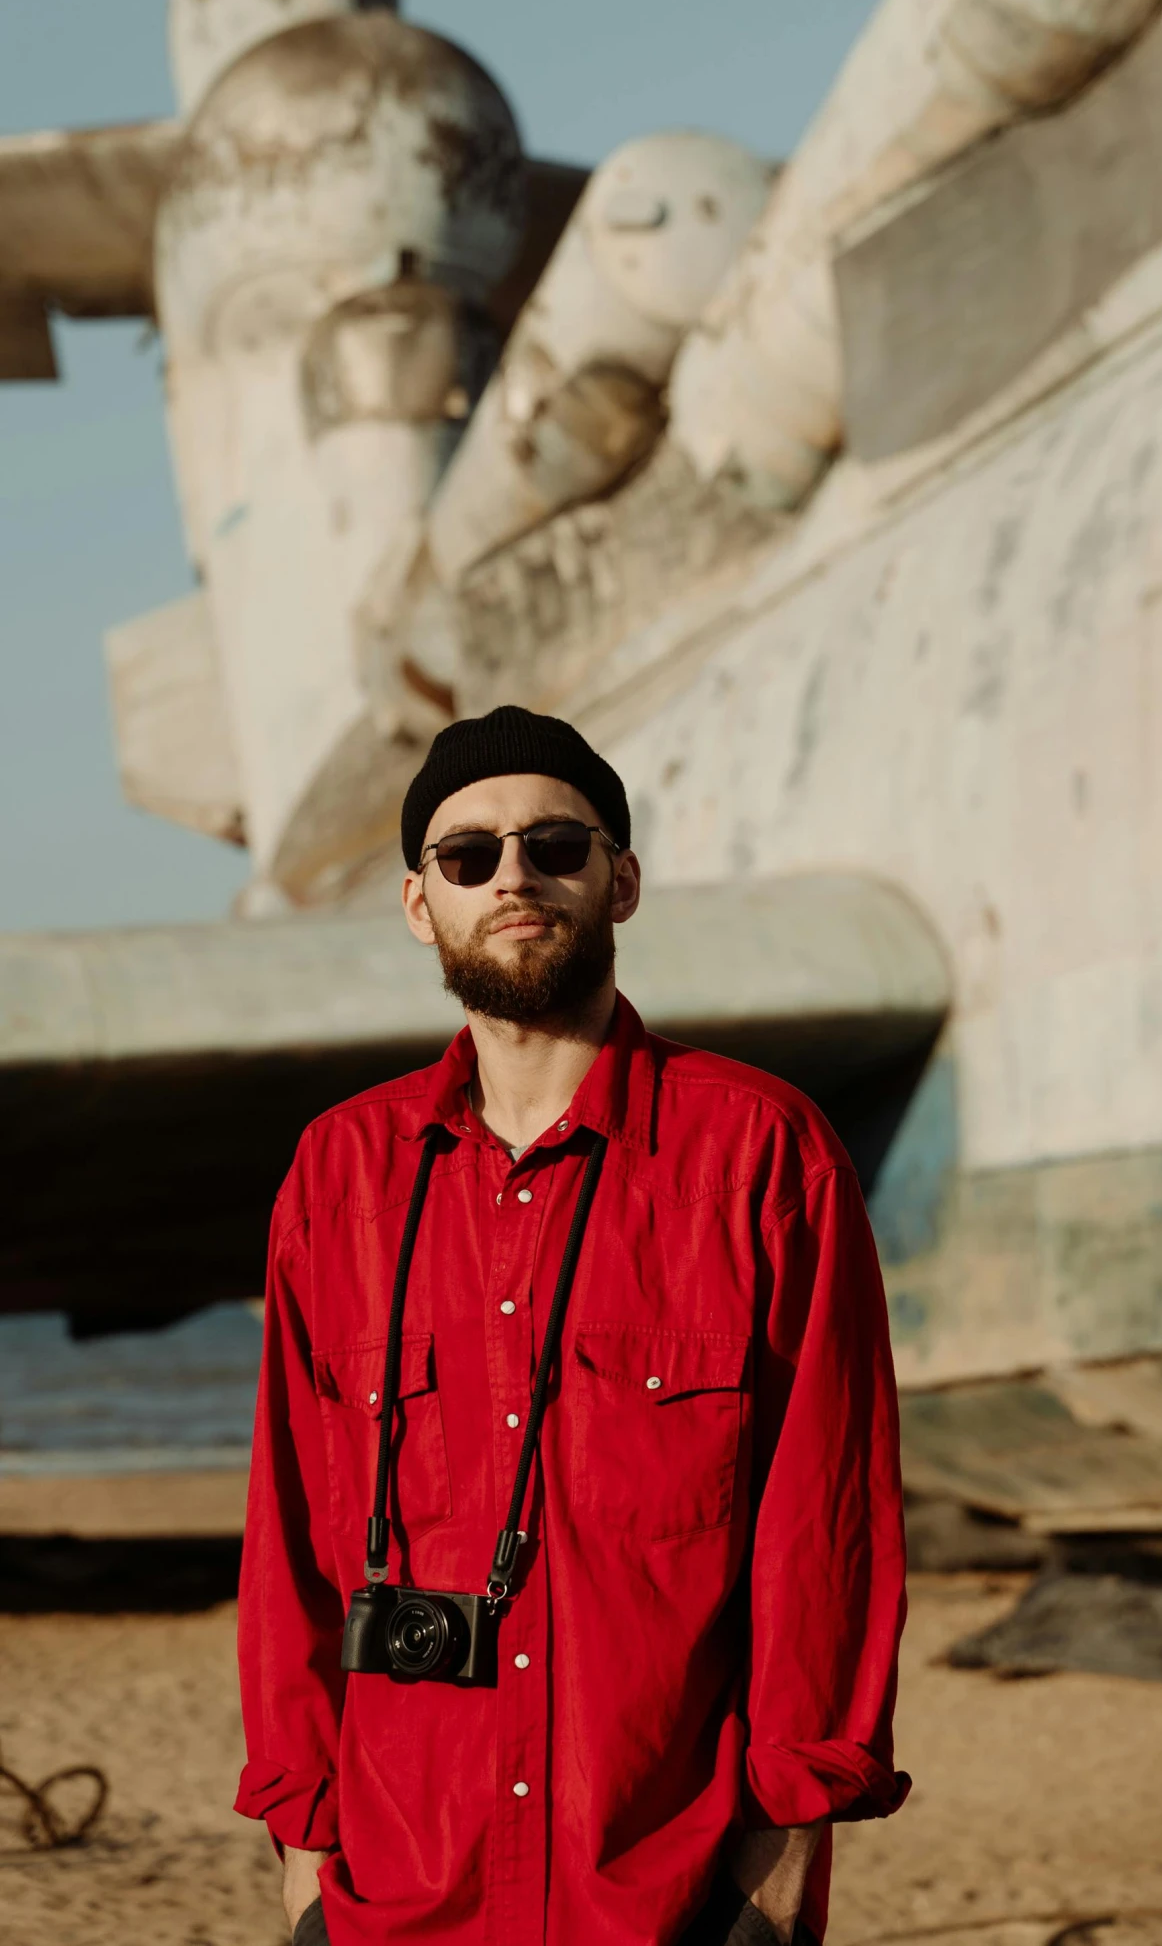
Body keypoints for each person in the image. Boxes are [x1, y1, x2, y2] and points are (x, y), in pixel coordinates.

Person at [235, 704, 908, 1946]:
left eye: (555, 842)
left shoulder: (761, 1156)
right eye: (467, 854)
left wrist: (785, 1841)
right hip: (395, 1888)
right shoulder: (340, 1177)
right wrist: (304, 1839)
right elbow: (288, 1536)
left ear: (623, 878)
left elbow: (826, 1523)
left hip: (668, 1892)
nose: (514, 876)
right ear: (416, 902)